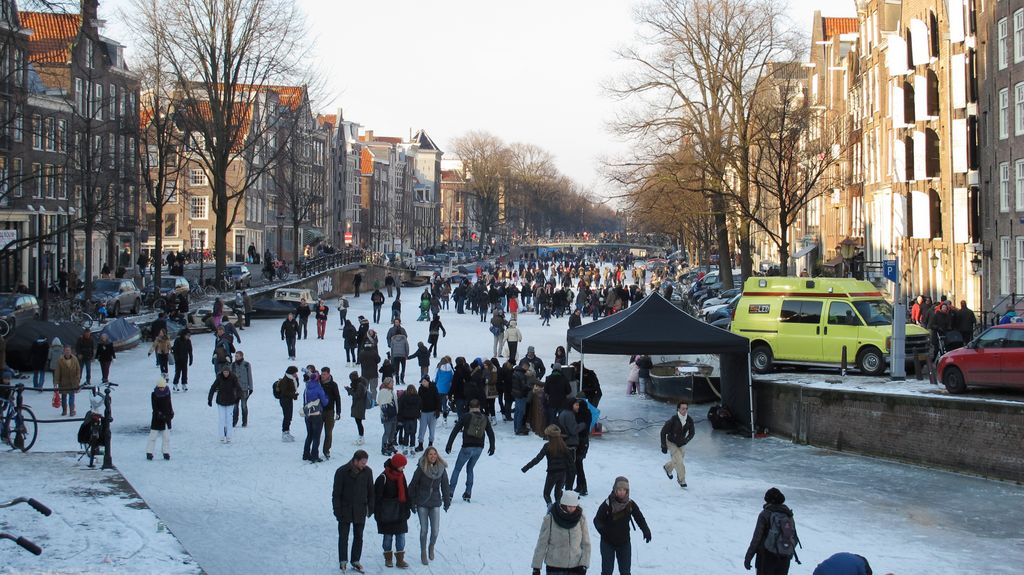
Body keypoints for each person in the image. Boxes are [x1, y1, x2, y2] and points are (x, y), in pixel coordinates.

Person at [593, 477, 651, 575]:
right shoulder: (608, 503)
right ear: (615, 490)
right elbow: (597, 520)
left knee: (625, 572)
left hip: (624, 543)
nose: (621, 492)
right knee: (607, 571)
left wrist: (646, 530)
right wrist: (604, 532)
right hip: (607, 543)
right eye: (619, 490)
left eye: (624, 490)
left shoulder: (630, 504)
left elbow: (639, 518)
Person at [445, 398, 496, 503]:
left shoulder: (466, 416)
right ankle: (468, 493)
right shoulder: (485, 418)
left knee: (457, 469)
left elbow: (455, 430)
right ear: (479, 407)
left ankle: (450, 492)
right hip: (479, 448)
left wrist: (449, 445)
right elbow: (490, 433)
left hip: (467, 447)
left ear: (470, 407)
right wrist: (492, 447)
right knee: (470, 469)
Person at [408, 446, 452, 565]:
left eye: (435, 454)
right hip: (422, 502)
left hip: (435, 502)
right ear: (426, 456)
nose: (433, 456)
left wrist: (446, 501)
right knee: (424, 530)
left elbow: (445, 486)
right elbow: (412, 485)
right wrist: (412, 502)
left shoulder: (441, 469)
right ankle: (423, 551)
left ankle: (431, 546)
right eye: (430, 454)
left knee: (435, 531)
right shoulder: (421, 469)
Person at [530, 490, 591, 575]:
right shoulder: (550, 519)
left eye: (574, 506)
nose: (572, 509)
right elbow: (542, 543)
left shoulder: (580, 519)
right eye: (569, 506)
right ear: (563, 505)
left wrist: (584, 564)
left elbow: (586, 543)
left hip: (575, 567)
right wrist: (536, 567)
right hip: (555, 568)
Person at [333, 449, 375, 573]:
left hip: (360, 509)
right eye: (362, 463)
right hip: (345, 510)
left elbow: (371, 492)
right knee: (343, 537)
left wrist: (370, 508)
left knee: (359, 536)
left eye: (365, 463)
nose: (364, 465)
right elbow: (336, 494)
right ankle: (343, 561)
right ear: (355, 461)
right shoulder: (342, 472)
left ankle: (355, 560)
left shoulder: (368, 472)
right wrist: (337, 510)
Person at [744, 487, 800, 574]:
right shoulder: (788, 514)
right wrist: (787, 552)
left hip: (766, 557)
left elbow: (756, 539)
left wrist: (748, 558)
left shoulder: (765, 514)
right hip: (784, 559)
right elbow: (793, 537)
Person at [374, 453, 412, 568]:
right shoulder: (383, 478)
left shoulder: (401, 475)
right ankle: (388, 559)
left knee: (401, 536)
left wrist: (407, 507)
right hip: (387, 513)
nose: (403, 468)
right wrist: (378, 514)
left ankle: (400, 560)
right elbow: (377, 497)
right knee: (388, 537)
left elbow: (405, 492)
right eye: (402, 465)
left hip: (400, 511)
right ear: (396, 465)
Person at [521, 424, 574, 506]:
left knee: (546, 494)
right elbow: (570, 462)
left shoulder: (547, 446)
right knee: (558, 494)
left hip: (552, 474)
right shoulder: (564, 446)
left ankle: (550, 508)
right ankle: (559, 510)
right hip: (563, 473)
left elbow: (537, 459)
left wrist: (526, 467)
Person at [660, 401, 694, 488]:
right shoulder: (673, 420)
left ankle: (667, 468)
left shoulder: (689, 420)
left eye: (686, 408)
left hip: (682, 443)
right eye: (683, 408)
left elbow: (692, 433)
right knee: (679, 462)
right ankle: (681, 480)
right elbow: (663, 432)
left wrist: (686, 440)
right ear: (678, 409)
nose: (685, 410)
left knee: (677, 461)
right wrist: (663, 445)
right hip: (671, 442)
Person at [208, 365, 242, 443]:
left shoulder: (233, 378)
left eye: (227, 372)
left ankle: (229, 436)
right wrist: (210, 399)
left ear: (229, 372)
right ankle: (221, 436)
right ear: (222, 372)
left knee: (229, 419)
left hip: (230, 401)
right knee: (222, 419)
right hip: (221, 401)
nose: (225, 374)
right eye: (224, 372)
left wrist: (238, 398)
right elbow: (213, 388)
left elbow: (238, 388)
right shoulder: (219, 377)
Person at [302, 371, 328, 462]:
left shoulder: (306, 388)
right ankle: (314, 456)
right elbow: (324, 402)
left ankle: (306, 454)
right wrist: (326, 397)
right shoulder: (318, 388)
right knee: (316, 436)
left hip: (308, 415)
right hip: (317, 415)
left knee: (309, 435)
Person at [146, 378, 174, 461]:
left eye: (162, 387)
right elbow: (154, 407)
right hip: (157, 419)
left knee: (166, 437)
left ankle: (166, 452)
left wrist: (171, 412)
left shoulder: (167, 393)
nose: (161, 389)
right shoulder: (154, 394)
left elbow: (169, 403)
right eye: (160, 387)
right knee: (153, 436)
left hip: (166, 418)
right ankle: (149, 452)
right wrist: (159, 414)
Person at [321, 367, 342, 459]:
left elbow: (337, 398)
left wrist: (338, 411)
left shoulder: (333, 385)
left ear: (329, 374)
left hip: (329, 411)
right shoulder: (318, 383)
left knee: (328, 432)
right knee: (317, 432)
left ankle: (326, 450)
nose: (322, 376)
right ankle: (314, 450)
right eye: (322, 374)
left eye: (324, 374)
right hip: (319, 411)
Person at [55, 345, 82, 417]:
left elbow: (78, 369)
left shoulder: (75, 359)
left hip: (73, 382)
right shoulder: (60, 360)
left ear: (71, 351)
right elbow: (57, 371)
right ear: (64, 351)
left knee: (71, 397)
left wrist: (78, 379)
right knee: (64, 397)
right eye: (66, 350)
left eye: (69, 350)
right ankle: (64, 410)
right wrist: (56, 382)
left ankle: (72, 411)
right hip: (63, 382)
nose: (67, 352)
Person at [276, 366, 300, 442]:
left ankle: (287, 432)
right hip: (285, 400)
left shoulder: (292, 379)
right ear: (291, 373)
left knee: (289, 416)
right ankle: (285, 433)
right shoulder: (285, 380)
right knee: (287, 416)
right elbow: (285, 392)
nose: (296, 374)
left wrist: (296, 378)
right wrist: (293, 395)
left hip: (289, 400)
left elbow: (296, 386)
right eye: (295, 373)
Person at [416, 376, 440, 451]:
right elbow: (418, 401)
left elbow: (438, 399)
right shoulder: (420, 389)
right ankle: (420, 444)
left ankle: (430, 444)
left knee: (432, 429)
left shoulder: (434, 388)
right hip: (423, 412)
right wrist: (418, 411)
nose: (423, 383)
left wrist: (438, 410)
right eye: (422, 382)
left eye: (424, 381)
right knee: (422, 429)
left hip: (432, 412)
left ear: (428, 381)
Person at [231, 351, 253, 427]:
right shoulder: (233, 365)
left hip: (244, 389)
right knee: (235, 406)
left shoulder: (247, 364)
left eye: (237, 356)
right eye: (235, 356)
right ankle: (234, 421)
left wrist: (251, 387)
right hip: (234, 389)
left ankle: (244, 422)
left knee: (244, 406)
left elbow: (249, 376)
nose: (235, 357)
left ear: (241, 356)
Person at [397, 384, 421, 455]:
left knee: (406, 433)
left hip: (406, 418)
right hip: (414, 418)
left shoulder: (404, 398)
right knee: (413, 433)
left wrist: (399, 418)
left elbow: (400, 408)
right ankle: (412, 447)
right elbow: (420, 407)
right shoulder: (418, 398)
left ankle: (405, 447)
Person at [346, 371, 368, 445]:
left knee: (358, 422)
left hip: (359, 405)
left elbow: (357, 396)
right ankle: (361, 437)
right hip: (358, 405)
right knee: (358, 422)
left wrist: (349, 390)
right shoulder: (359, 384)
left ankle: (361, 437)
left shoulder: (359, 385)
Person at [378, 377, 398, 456]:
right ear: (387, 383)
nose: (392, 384)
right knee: (387, 431)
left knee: (393, 431)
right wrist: (386, 414)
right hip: (387, 416)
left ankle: (390, 445)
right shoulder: (383, 391)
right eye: (391, 383)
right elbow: (382, 404)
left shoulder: (391, 391)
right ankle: (384, 447)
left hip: (393, 415)